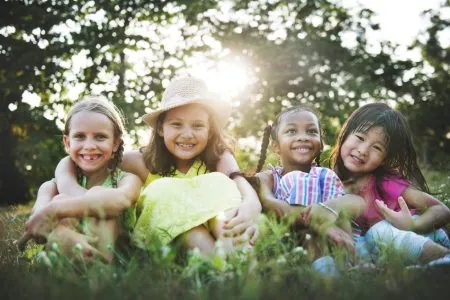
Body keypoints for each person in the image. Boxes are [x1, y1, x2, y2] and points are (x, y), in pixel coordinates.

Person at [55, 77, 261, 257]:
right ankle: (218, 268)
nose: (187, 134)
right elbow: (88, 158)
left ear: (209, 131)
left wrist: (252, 203)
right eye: (176, 124)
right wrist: (63, 174)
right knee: (164, 193)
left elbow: (238, 182)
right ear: (161, 128)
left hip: (222, 227)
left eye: (197, 125)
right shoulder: (141, 161)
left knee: (220, 187)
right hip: (177, 237)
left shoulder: (217, 157)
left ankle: (238, 259)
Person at [18, 97, 142, 262]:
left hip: (113, 256)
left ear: (115, 144)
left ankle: (99, 275)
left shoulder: (127, 180)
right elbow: (40, 219)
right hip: (65, 251)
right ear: (67, 142)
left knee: (103, 205)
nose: (89, 145)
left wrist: (57, 209)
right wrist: (62, 231)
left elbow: (120, 200)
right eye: (80, 136)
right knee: (60, 200)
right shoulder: (51, 187)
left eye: (100, 137)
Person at [330, 102, 450, 265]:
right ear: (345, 134)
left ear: (384, 159)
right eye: (360, 137)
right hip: (388, 248)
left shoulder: (384, 182)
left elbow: (441, 209)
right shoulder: (328, 182)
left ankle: (444, 258)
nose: (364, 150)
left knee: (377, 232)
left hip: (426, 240)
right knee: (363, 244)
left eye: (377, 148)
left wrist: (413, 224)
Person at [254, 105, 366, 274]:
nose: (303, 137)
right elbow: (272, 205)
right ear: (276, 146)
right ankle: (331, 275)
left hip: (339, 242)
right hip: (295, 243)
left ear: (321, 144)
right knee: (311, 235)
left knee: (341, 208)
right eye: (292, 131)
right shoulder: (268, 178)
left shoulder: (326, 177)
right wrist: (322, 226)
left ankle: (353, 264)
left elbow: (357, 203)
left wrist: (332, 207)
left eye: (311, 132)